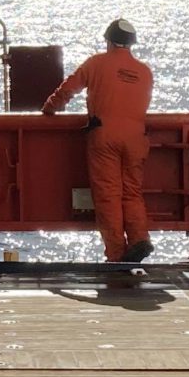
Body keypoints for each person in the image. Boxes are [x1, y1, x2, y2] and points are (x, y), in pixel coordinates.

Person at [42, 16, 155, 264]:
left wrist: (50, 107)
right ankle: (139, 239)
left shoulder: (96, 64)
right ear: (130, 44)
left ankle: (116, 254)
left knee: (108, 195)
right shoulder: (144, 72)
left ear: (108, 41)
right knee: (132, 193)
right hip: (137, 138)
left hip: (104, 137)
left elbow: (69, 88)